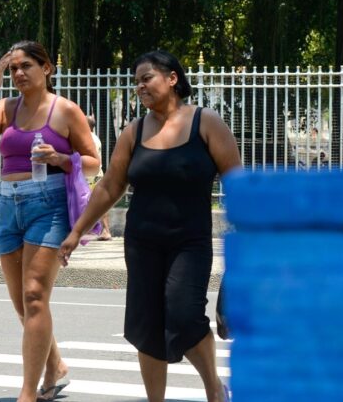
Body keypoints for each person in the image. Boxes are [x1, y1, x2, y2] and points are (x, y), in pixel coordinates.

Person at [59, 50, 241, 402]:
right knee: (146, 326)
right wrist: (77, 230)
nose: (139, 86)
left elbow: (237, 182)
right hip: (143, 243)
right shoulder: (134, 131)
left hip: (190, 242)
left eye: (147, 78)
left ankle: (214, 389)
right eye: (136, 82)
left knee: (185, 315)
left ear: (172, 79)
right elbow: (111, 186)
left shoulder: (206, 123)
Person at [0, 40, 100, 402]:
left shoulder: (65, 111)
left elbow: (94, 162)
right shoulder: (6, 108)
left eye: (26, 66)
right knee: (23, 302)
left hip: (49, 203)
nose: (19, 73)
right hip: (7, 204)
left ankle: (27, 393)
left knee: (35, 294)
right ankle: (55, 366)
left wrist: (61, 157)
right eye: (13, 68)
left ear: (46, 68)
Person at [85, 114, 112, 240]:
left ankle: (104, 230)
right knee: (99, 203)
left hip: (89, 176)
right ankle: (103, 230)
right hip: (96, 174)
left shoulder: (88, 139)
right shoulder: (95, 138)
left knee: (94, 203)